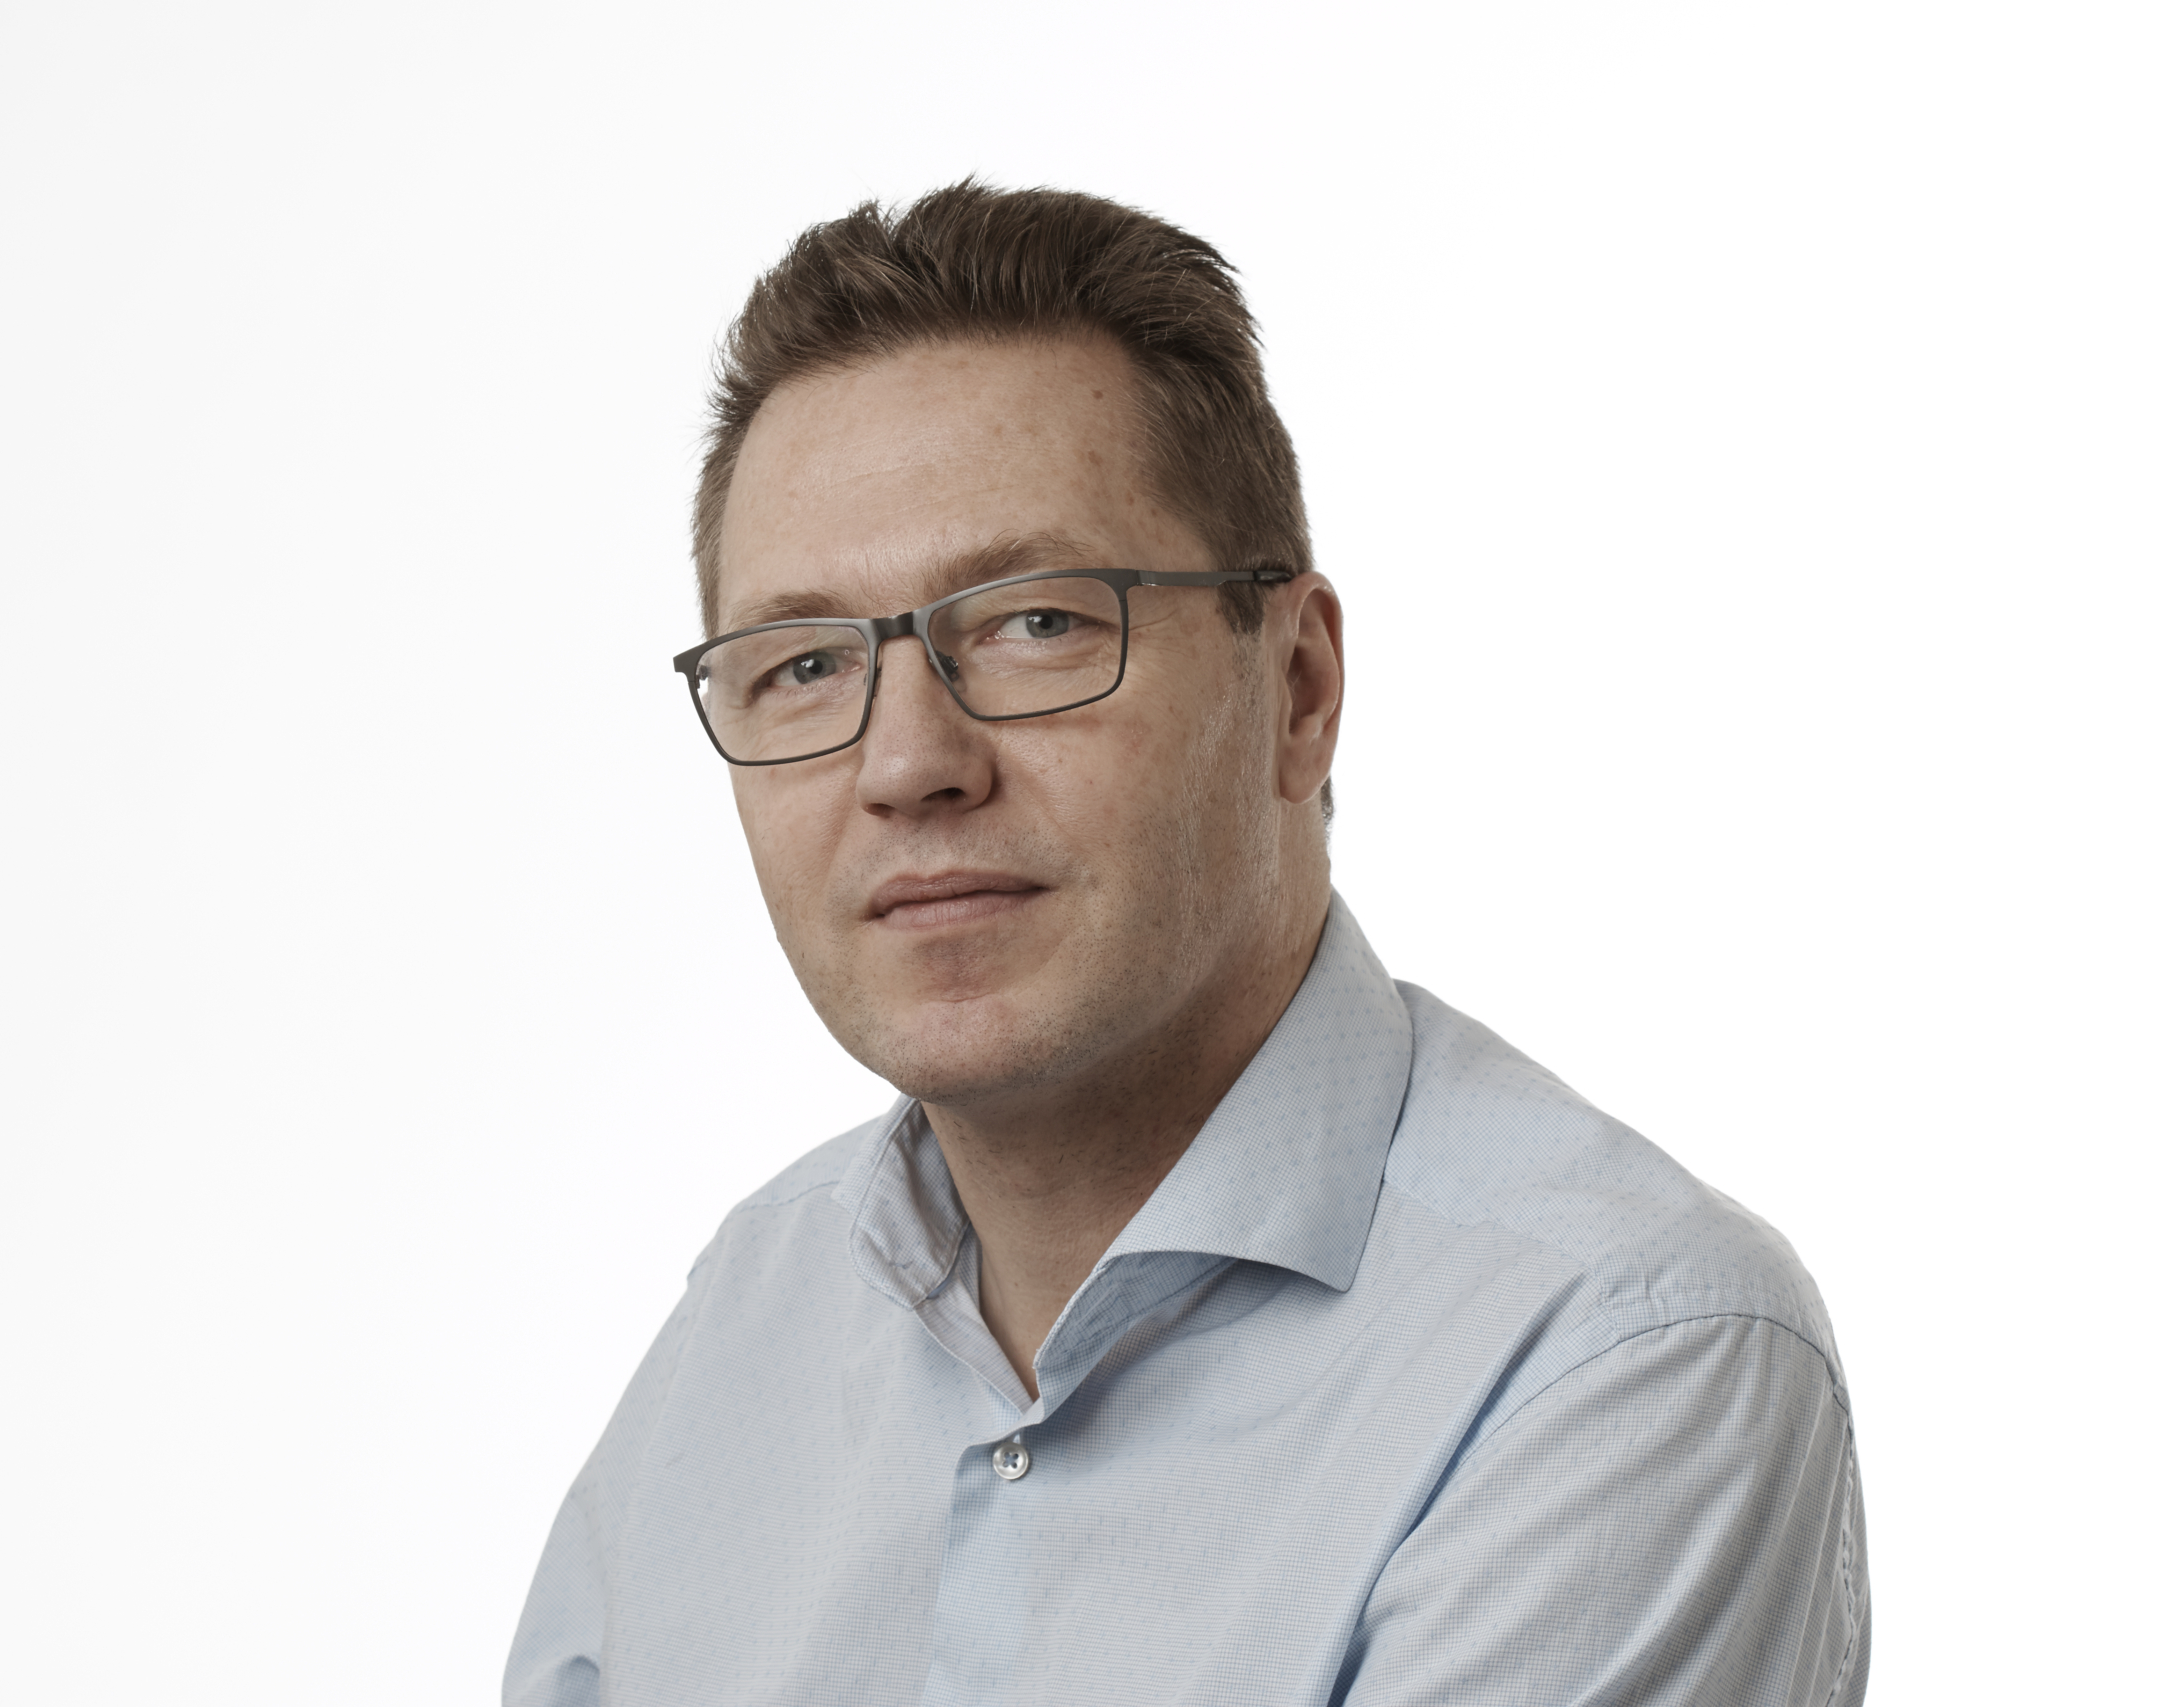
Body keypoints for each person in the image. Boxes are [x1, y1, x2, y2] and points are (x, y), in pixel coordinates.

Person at [504, 181, 1869, 1707]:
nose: (907, 763)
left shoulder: (1617, 1349)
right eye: (805, 662)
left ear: (1296, 688)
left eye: (1036, 622)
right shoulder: (750, 1312)